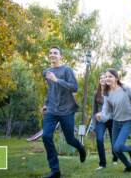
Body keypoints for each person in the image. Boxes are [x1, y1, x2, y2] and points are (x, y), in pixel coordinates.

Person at [40, 46, 86, 178]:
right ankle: (55, 171)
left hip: (66, 110)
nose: (52, 55)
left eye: (55, 53)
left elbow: (75, 87)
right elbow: (51, 90)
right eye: (50, 53)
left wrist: (57, 80)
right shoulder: (47, 72)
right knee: (46, 136)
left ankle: (81, 148)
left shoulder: (66, 70)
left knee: (70, 139)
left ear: (61, 56)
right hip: (52, 109)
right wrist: (46, 104)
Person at [96, 69, 131, 173]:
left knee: (118, 147)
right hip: (116, 122)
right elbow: (107, 112)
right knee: (115, 149)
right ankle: (128, 165)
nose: (107, 78)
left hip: (127, 121)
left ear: (116, 78)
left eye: (110, 76)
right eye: (106, 77)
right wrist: (101, 117)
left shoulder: (125, 89)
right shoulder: (107, 94)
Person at [91, 73, 118, 170]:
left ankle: (115, 158)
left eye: (104, 78)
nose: (103, 79)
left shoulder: (112, 92)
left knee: (113, 140)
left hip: (111, 119)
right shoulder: (96, 93)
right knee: (99, 140)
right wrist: (94, 125)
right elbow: (94, 111)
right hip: (100, 120)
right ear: (99, 80)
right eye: (101, 78)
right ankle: (102, 163)